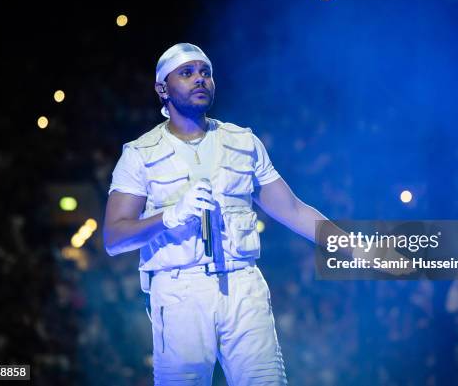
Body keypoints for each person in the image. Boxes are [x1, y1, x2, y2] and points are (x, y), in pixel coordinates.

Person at [103, 43, 330, 386]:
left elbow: (295, 210)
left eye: (205, 72)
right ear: (162, 88)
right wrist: (169, 217)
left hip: (243, 286)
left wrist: (368, 250)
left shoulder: (243, 142)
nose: (199, 79)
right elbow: (114, 238)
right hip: (179, 293)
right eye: (187, 73)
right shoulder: (140, 154)